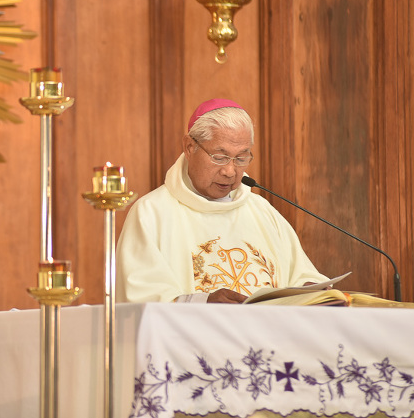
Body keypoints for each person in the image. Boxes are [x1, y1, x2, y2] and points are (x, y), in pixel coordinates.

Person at [116, 99, 328, 304]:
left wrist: (312, 292)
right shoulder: (151, 213)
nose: (230, 171)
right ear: (190, 147)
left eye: (241, 158)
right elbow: (141, 299)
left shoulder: (261, 210)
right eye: (219, 157)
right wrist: (204, 303)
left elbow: (302, 277)